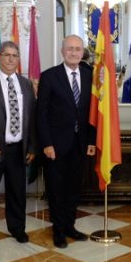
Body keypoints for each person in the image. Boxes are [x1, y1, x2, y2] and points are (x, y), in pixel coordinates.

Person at [36, 35, 96, 249]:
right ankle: (58, 230)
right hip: (56, 146)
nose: (74, 52)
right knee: (56, 189)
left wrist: (91, 140)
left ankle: (70, 226)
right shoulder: (50, 76)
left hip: (80, 144)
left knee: (73, 188)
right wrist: (46, 144)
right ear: (62, 51)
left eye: (78, 49)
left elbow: (92, 112)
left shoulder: (90, 75)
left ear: (82, 53)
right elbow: (41, 114)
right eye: (70, 49)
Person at [0, 41, 36, 245]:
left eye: (14, 55)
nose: (10, 59)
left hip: (18, 148)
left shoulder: (25, 84)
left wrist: (32, 146)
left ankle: (17, 228)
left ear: (18, 59)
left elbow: (32, 117)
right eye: (6, 55)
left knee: (17, 192)